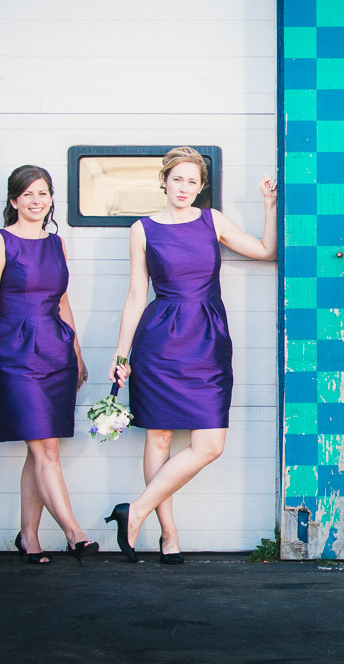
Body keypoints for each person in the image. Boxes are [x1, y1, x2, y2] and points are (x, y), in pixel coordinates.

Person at [105, 148, 278, 563]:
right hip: (159, 341)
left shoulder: (211, 220)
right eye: (177, 179)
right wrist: (121, 353)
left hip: (208, 339)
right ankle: (168, 534)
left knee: (209, 444)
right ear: (164, 181)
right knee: (159, 436)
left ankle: (136, 510)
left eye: (193, 182)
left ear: (202, 188)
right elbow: (134, 296)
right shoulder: (142, 229)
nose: (184, 188)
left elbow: (265, 251)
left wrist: (268, 205)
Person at [0, 165, 98, 565]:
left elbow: (63, 302)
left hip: (55, 349)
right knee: (44, 446)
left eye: (43, 193)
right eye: (27, 194)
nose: (36, 201)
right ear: (13, 200)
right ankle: (74, 533)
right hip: (14, 351)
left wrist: (77, 353)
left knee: (39, 446)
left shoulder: (56, 244)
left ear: (51, 199)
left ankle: (28, 536)